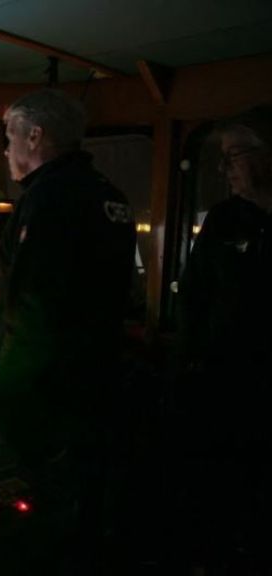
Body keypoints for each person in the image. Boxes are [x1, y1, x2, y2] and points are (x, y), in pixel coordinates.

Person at [0, 89, 136, 573]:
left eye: (10, 137)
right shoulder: (111, 195)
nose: (6, 151)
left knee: (32, 507)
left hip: (45, 394)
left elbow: (35, 310)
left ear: (35, 135)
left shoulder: (48, 198)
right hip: (97, 380)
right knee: (80, 504)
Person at [176, 105, 272, 573]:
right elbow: (193, 295)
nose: (222, 167)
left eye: (232, 155)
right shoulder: (223, 218)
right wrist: (189, 363)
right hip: (221, 380)